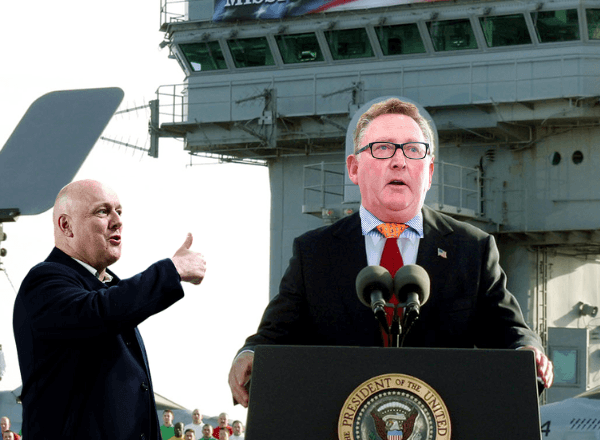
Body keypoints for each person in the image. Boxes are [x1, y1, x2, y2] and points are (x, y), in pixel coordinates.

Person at [228, 98, 553, 406]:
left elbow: (508, 329)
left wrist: (529, 349)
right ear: (354, 169)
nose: (399, 160)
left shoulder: (472, 248)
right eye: (383, 148)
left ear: (429, 172)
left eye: (413, 150)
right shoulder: (315, 252)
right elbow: (275, 335)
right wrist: (251, 353)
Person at [12, 179, 207, 439]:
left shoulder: (108, 289)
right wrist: (171, 271)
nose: (117, 221)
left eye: (119, 211)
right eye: (102, 212)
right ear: (66, 226)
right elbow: (101, 312)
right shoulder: (44, 282)